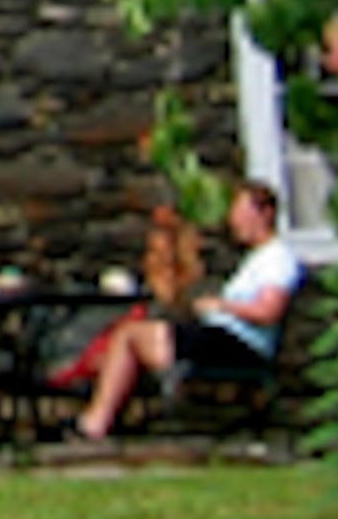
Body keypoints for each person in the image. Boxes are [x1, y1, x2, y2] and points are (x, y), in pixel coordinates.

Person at [75, 178, 299, 442]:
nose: (234, 221)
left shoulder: (277, 259)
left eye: (241, 213)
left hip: (238, 344)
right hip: (219, 335)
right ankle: (108, 416)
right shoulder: (256, 259)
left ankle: (96, 423)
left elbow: (268, 311)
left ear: (265, 214)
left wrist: (221, 305)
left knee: (129, 337)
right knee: (122, 342)